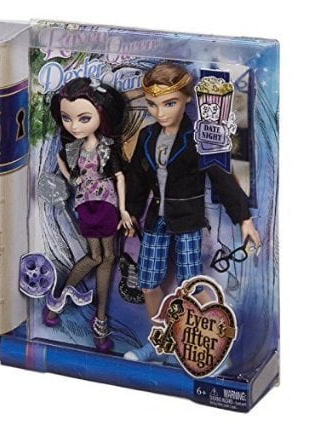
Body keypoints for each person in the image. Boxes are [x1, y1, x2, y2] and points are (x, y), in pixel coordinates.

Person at [124, 62, 261, 362]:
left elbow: (222, 178)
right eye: (152, 104)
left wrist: (244, 219)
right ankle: (159, 342)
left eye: (169, 103)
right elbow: (137, 178)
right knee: (148, 282)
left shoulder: (198, 138)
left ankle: (210, 344)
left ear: (187, 98)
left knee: (192, 283)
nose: (160, 112)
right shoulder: (147, 136)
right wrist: (130, 211)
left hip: (187, 219)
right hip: (156, 220)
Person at [44, 77, 133, 353]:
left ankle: (97, 316)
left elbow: (119, 177)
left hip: (107, 204)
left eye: (84, 118)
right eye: (67, 118)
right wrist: (71, 177)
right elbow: (63, 164)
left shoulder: (106, 146)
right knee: (98, 257)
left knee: (108, 257)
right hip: (86, 204)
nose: (74, 126)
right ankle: (62, 301)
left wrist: (123, 209)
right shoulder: (72, 149)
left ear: (100, 114)